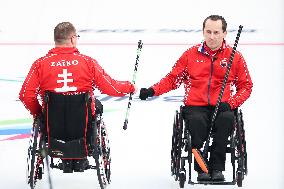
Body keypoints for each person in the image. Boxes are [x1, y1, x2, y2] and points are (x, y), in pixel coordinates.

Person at [139, 15, 253, 181]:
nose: (212, 36)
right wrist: (152, 90)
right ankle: (202, 169)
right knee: (196, 125)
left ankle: (217, 169)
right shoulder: (190, 55)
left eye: (216, 32)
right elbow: (173, 79)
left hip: (223, 106)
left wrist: (231, 103)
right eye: (208, 32)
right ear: (203, 32)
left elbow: (246, 86)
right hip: (195, 105)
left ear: (224, 33)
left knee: (226, 122)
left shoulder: (235, 57)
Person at [19, 22, 136, 173]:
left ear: (56, 39)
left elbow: (25, 95)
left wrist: (39, 114)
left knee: (48, 111)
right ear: (73, 39)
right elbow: (111, 87)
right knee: (96, 106)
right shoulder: (87, 62)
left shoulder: (40, 64)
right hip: (83, 122)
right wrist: (130, 87)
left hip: (52, 122)